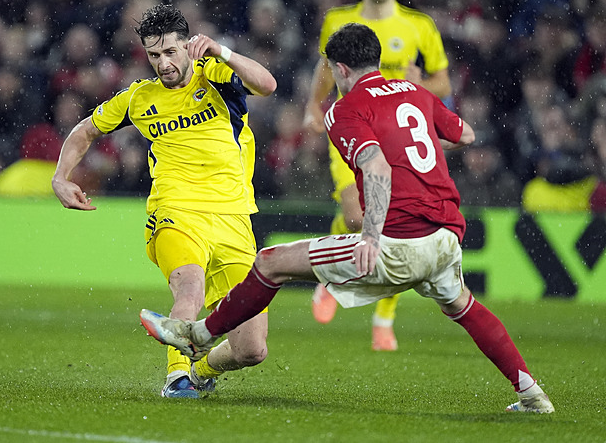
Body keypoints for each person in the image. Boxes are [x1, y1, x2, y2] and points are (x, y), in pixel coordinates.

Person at [140, 22, 555, 414]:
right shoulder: (414, 91)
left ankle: (199, 335)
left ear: (339, 68)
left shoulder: (343, 110)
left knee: (270, 262)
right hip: (445, 237)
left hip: (396, 242)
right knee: (464, 306)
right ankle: (532, 394)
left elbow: (375, 166)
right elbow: (465, 134)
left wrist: (371, 236)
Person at [52, 4, 277, 398]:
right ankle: (176, 377)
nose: (163, 63)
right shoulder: (140, 97)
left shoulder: (215, 75)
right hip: (175, 211)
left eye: (170, 52)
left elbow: (267, 85)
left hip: (234, 218)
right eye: (154, 55)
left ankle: (201, 371)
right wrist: (60, 177)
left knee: (251, 350)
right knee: (190, 291)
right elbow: (85, 131)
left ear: (188, 46)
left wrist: (222, 51)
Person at [303, 0, 452, 351]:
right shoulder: (338, 19)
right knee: (357, 217)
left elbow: (442, 82)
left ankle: (384, 318)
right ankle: (329, 280)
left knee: (393, 223)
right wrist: (313, 105)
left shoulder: (419, 26)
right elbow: (326, 68)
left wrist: (421, 84)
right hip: (352, 128)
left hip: (397, 135)